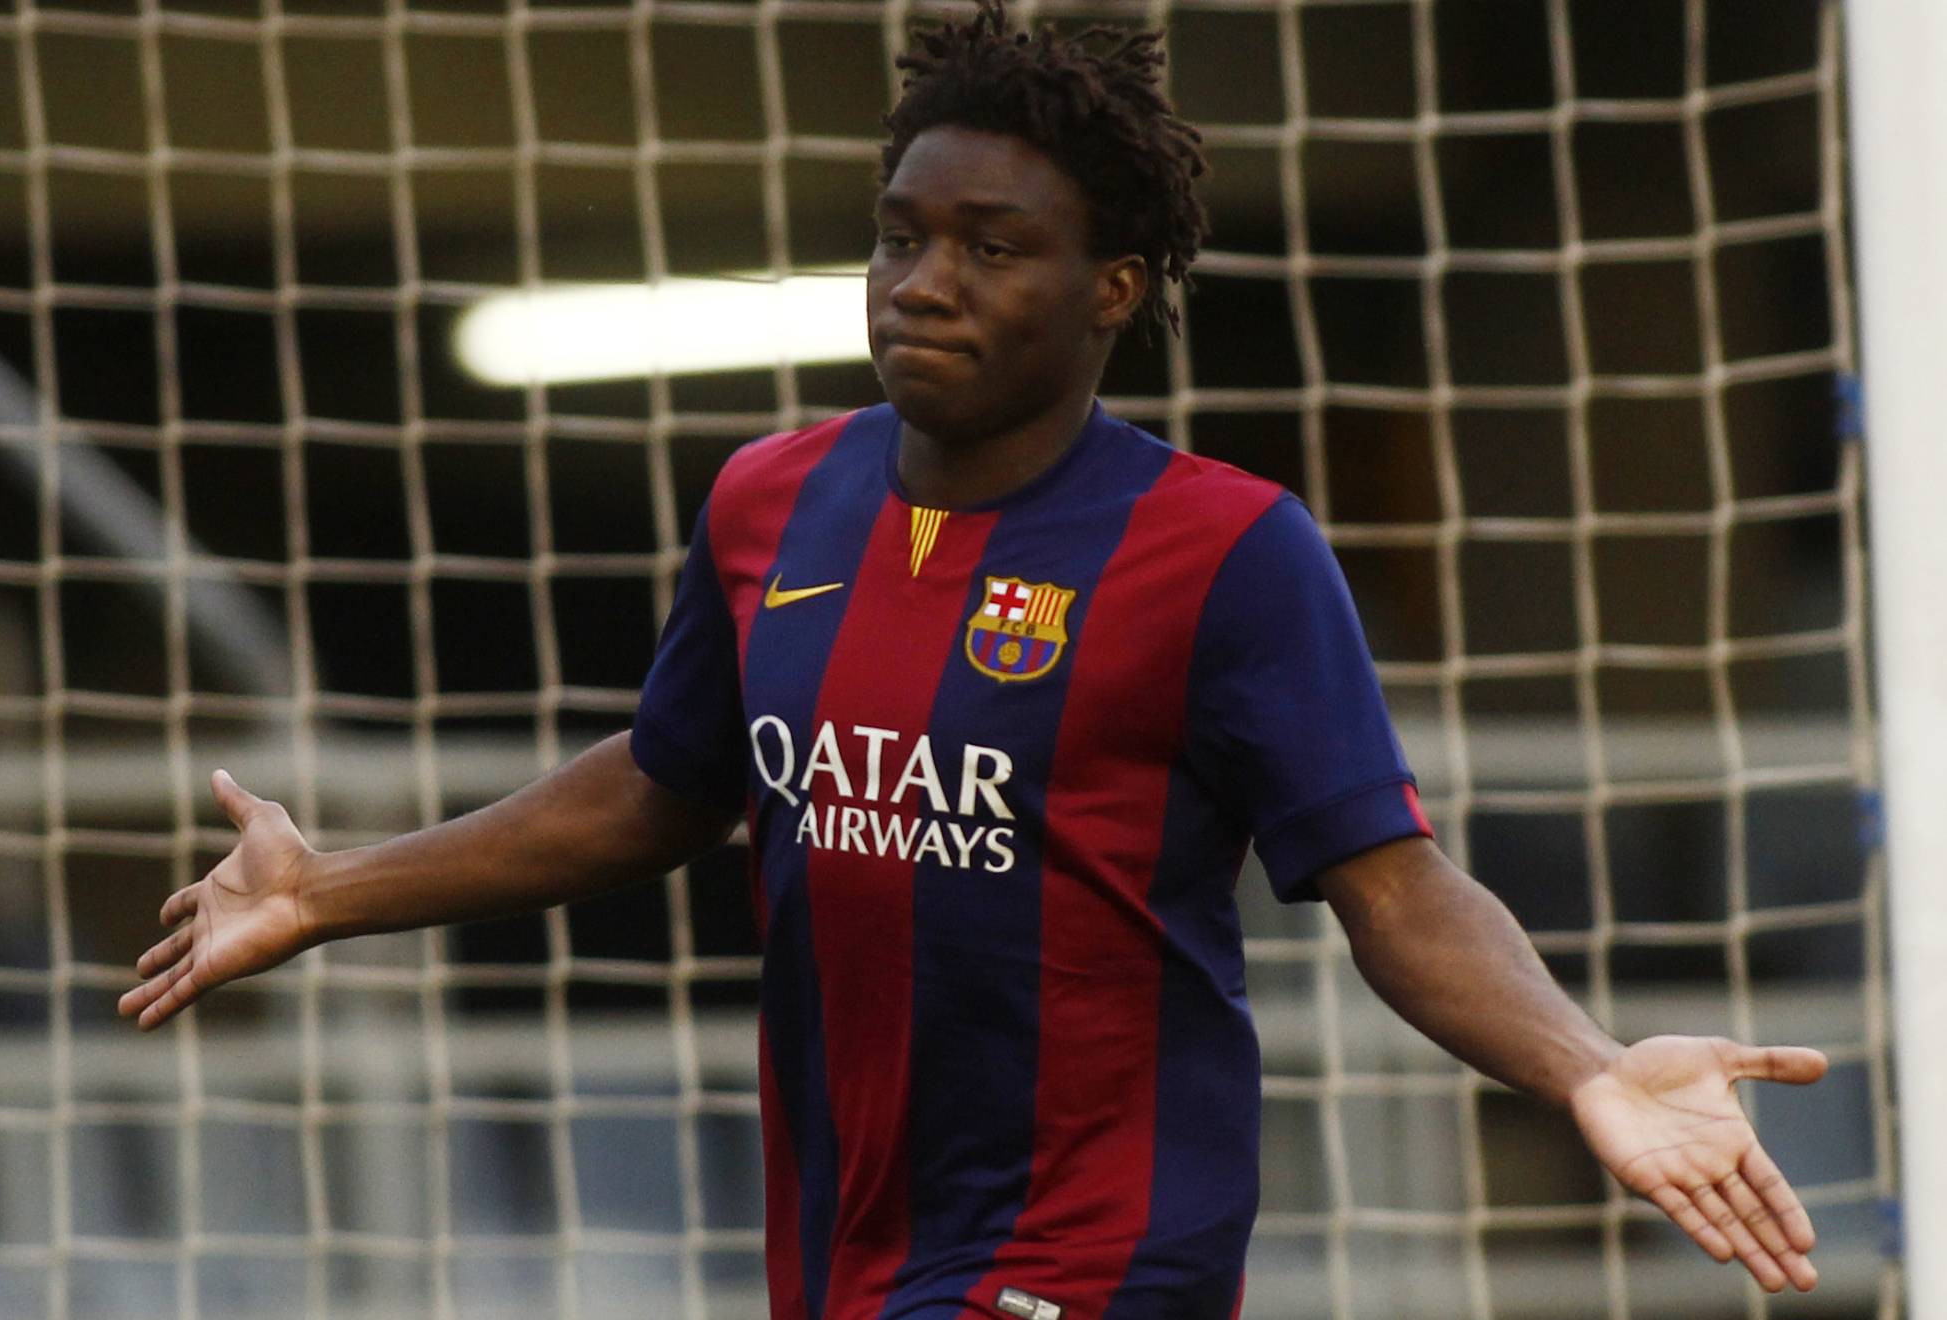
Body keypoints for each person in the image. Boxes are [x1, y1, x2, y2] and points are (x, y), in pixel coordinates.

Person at [121, 3, 1829, 1315]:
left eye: (992, 249)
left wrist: (1591, 1067)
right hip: (845, 1233)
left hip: (1098, 1244)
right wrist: (328, 890)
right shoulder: (770, 502)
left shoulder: (1225, 550)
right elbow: (661, 787)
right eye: (900, 235)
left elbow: (1397, 890)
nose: (922, 284)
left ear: (1113, 289)